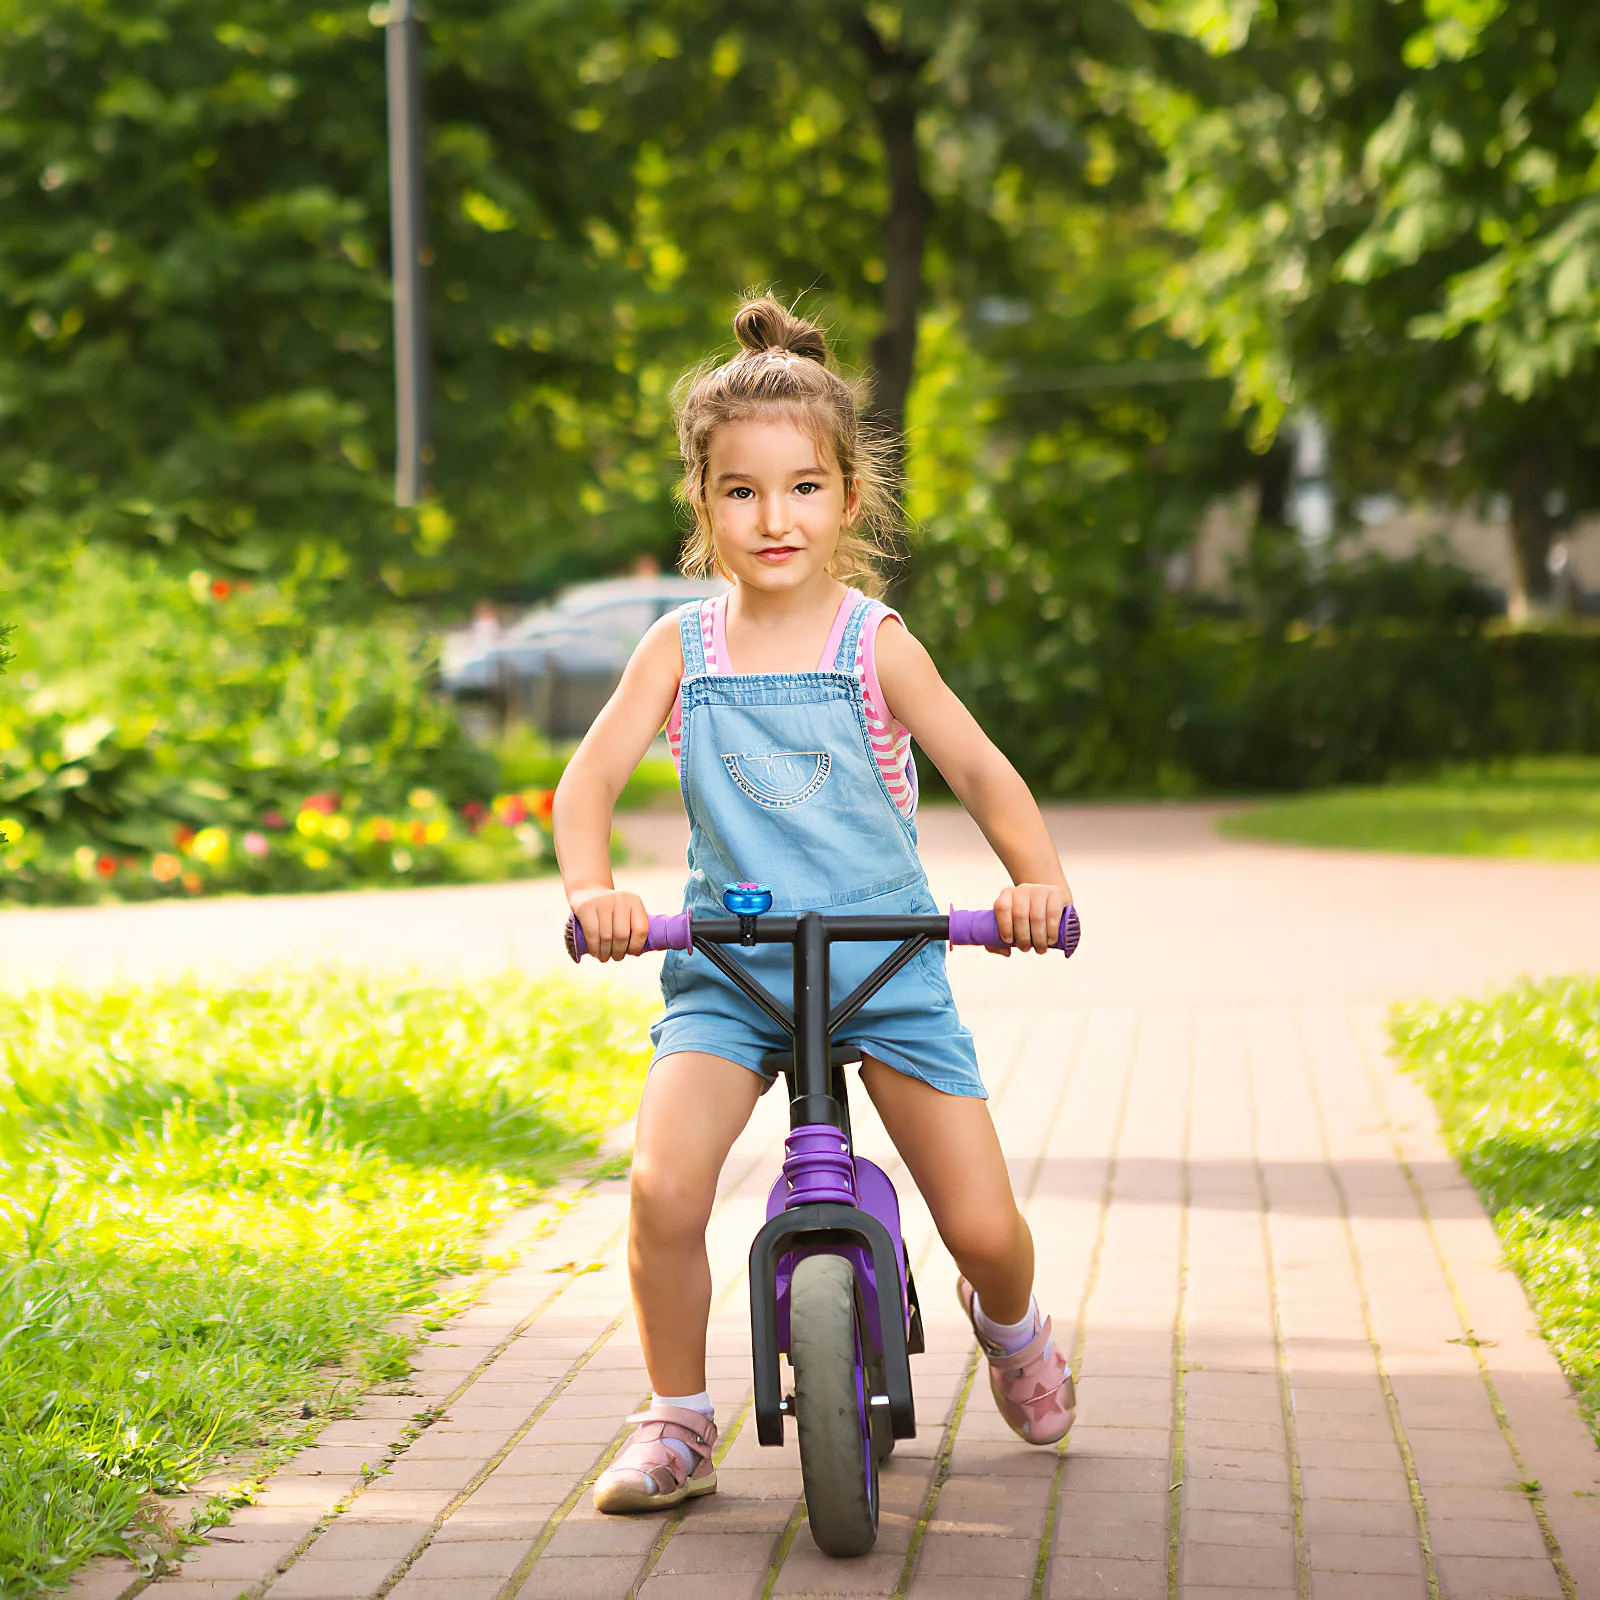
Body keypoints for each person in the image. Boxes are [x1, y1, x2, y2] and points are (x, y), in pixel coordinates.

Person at [552, 296, 1078, 1515]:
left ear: (848, 497)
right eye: (740, 491)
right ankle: (677, 1417)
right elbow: (586, 782)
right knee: (663, 1187)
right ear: (702, 503)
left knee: (985, 1223)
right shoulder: (679, 649)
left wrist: (1032, 882)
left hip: (886, 965)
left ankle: (1012, 1331)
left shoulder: (872, 641)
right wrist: (597, 891)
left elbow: (983, 770)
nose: (772, 517)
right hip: (730, 972)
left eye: (801, 488)